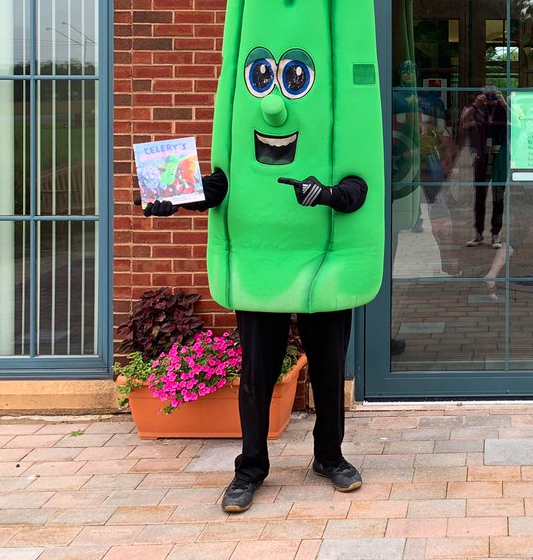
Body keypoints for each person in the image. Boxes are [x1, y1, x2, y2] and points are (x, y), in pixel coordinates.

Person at [143, 171, 368, 512]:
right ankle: (250, 468)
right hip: (260, 266)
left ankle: (329, 456)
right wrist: (175, 197)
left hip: (324, 266)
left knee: (329, 369)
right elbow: (222, 184)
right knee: (256, 374)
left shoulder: (334, 138)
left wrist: (328, 193)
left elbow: (358, 186)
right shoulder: (244, 141)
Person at [459, 85, 508, 249]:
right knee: (480, 195)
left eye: (493, 95)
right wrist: (475, 104)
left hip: (499, 156)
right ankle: (478, 232)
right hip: (482, 156)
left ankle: (496, 233)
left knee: (498, 195)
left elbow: (519, 122)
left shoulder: (503, 109)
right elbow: (463, 122)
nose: (490, 99)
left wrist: (504, 104)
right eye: (487, 95)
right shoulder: (477, 108)